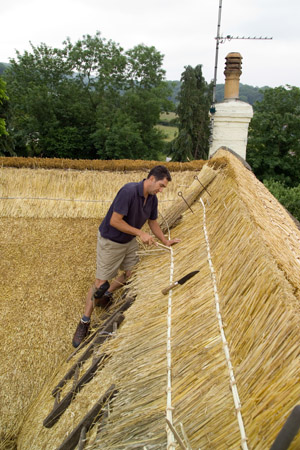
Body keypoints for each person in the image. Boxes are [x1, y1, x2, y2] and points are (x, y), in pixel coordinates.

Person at [72, 165, 180, 347]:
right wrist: (140, 233)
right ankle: (84, 321)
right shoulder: (128, 191)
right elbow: (115, 221)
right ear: (151, 179)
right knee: (99, 283)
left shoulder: (152, 199)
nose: (161, 190)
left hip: (128, 241)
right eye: (161, 185)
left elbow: (152, 222)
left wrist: (165, 241)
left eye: (163, 188)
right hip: (111, 240)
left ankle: (107, 294)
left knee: (131, 274)